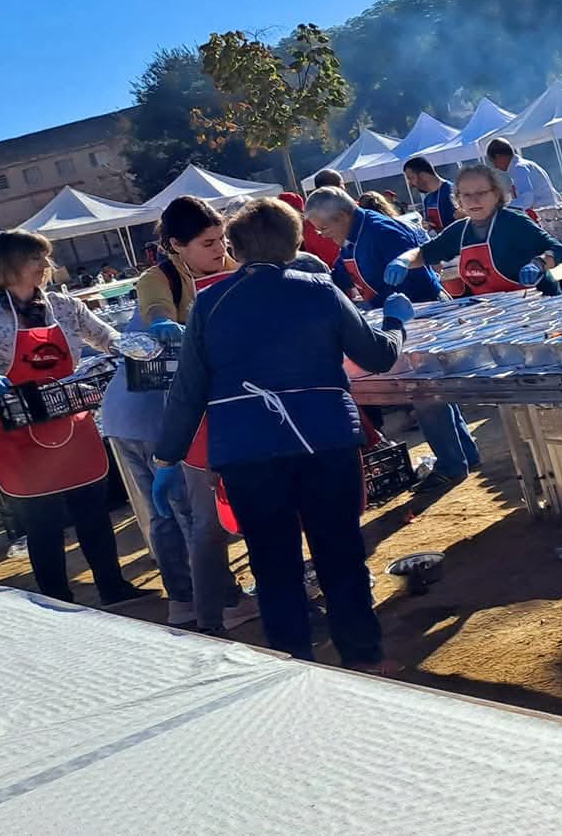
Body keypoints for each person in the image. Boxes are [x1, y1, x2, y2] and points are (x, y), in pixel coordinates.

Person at [154, 198, 410, 672]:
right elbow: (377, 356)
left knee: (274, 567)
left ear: (233, 246)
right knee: (341, 556)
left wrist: (167, 461)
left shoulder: (209, 304)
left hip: (248, 454)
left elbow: (187, 390)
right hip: (324, 443)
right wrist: (396, 321)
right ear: (296, 244)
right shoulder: (320, 291)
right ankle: (365, 660)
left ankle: (296, 666)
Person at [0, 231, 151, 604]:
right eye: (38, 258)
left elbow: (106, 337)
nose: (47, 267)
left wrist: (137, 348)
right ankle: (55, 598)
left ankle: (113, 588)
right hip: (16, 430)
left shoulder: (65, 307)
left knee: (93, 512)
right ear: (11, 264)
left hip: (70, 419)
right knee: (42, 522)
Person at [116, 196, 255, 632]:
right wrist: (163, 324)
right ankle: (213, 604)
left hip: (195, 408)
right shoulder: (158, 279)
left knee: (192, 514)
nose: (219, 250)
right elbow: (156, 309)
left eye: (222, 239)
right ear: (177, 245)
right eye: (209, 242)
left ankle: (200, 604)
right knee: (183, 516)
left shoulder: (228, 269)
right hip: (148, 411)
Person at [306, 187, 479, 490]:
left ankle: (452, 465)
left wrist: (399, 318)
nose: (321, 235)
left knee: (423, 390)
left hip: (422, 313)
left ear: (343, 215)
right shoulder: (350, 237)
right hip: (396, 316)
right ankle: (464, 454)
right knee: (432, 391)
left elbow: (420, 280)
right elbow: (340, 276)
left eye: (324, 228)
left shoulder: (382, 231)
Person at [385, 163, 562, 297]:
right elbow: (426, 253)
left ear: (496, 194)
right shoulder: (460, 231)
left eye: (481, 193)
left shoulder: (514, 222)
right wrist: (403, 261)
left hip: (540, 305)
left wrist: (540, 263)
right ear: (458, 200)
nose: (474, 200)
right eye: (466, 195)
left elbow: (556, 249)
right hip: (498, 313)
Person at [484, 137, 559, 211]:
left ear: (498, 156)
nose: (495, 166)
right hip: (548, 212)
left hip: (545, 215)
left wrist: (503, 209)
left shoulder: (519, 169)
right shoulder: (526, 165)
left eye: (493, 161)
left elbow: (526, 200)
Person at [403, 156, 457, 234]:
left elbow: (463, 224)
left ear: (422, 175)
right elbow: (430, 226)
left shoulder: (451, 191)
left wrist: (436, 231)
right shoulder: (427, 199)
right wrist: (426, 225)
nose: (410, 184)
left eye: (411, 178)